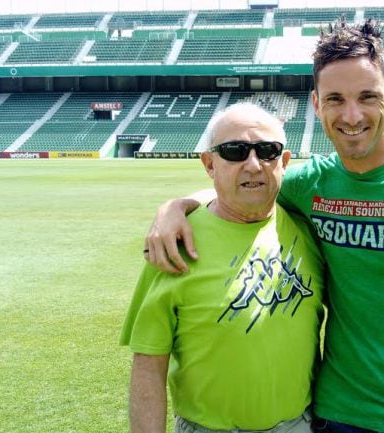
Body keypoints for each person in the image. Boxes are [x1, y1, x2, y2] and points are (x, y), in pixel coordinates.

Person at [146, 18, 384, 433]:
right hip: (338, 414)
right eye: (336, 99)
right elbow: (246, 188)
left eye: (367, 97)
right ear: (316, 104)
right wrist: (177, 206)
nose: (352, 115)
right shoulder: (309, 185)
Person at [121, 103, 325, 433]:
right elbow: (148, 366)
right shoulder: (174, 244)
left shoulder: (308, 231)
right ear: (209, 164)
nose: (254, 164)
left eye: (268, 151)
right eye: (235, 151)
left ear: (284, 163)